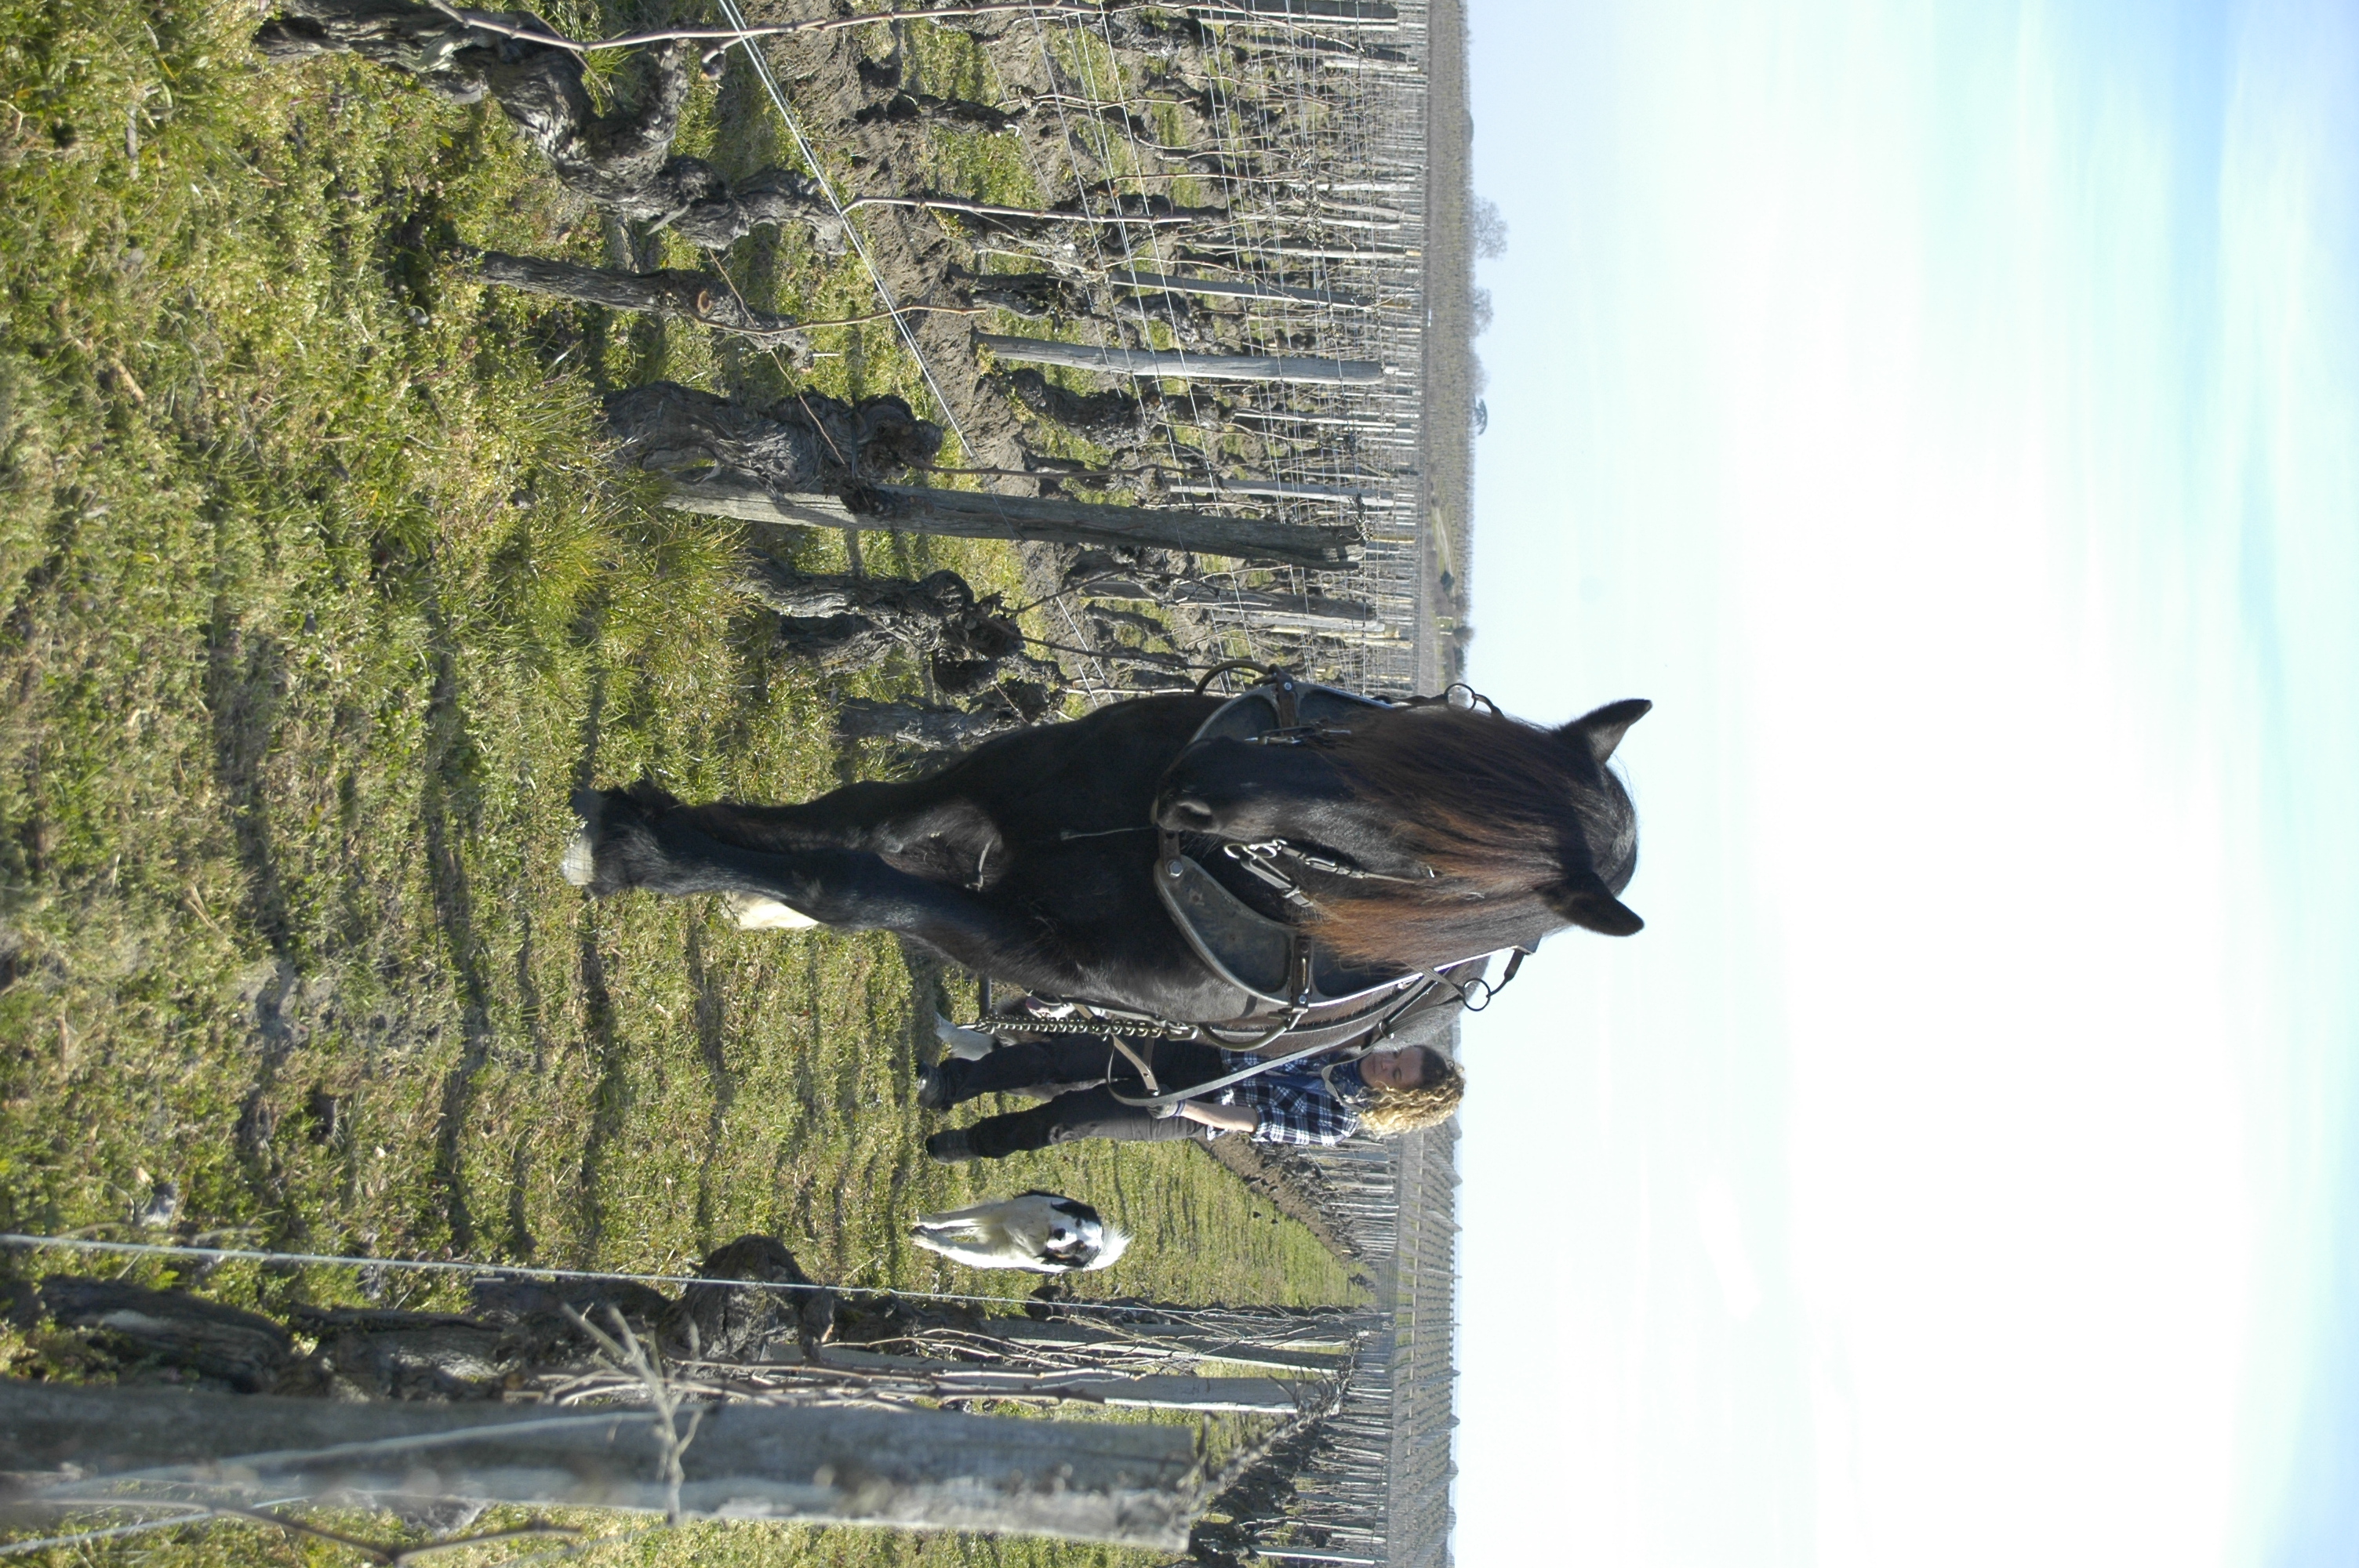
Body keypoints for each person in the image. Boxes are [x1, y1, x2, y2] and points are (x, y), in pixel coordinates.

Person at [918, 1033, 1466, 1162]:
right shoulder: (1342, 1042)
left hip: (1197, 1108)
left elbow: (1250, 1119)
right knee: (1063, 1057)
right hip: (1193, 1054)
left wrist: (1184, 1108)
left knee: (1072, 1118)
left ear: (1399, 1099)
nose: (1386, 1063)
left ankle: (974, 1142)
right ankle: (951, 1085)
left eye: (1397, 1075)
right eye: (1398, 1055)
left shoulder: (1336, 1123)